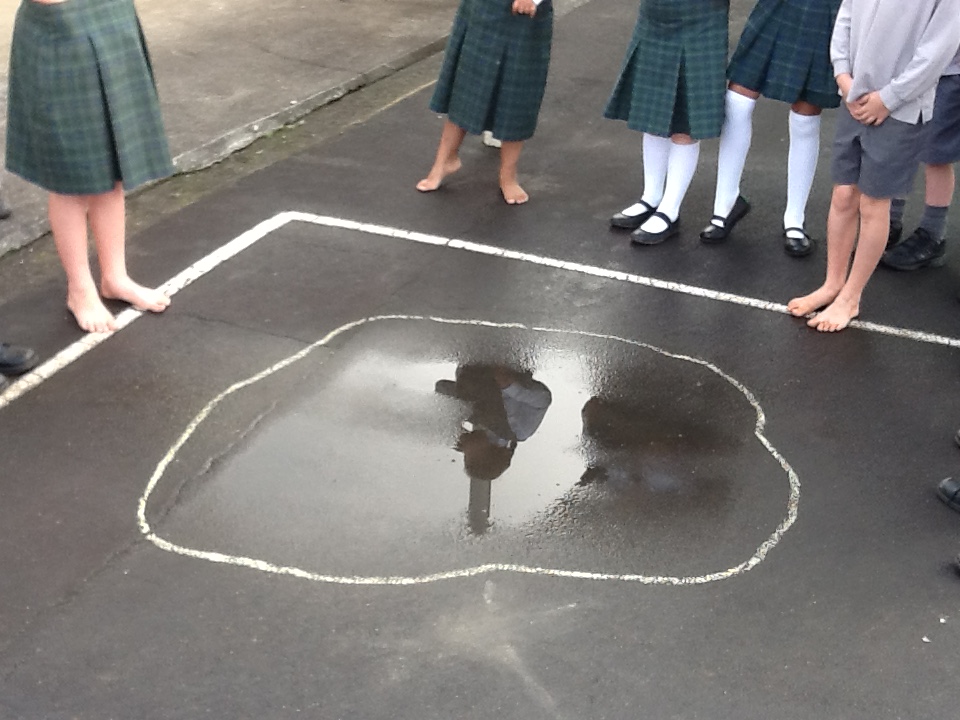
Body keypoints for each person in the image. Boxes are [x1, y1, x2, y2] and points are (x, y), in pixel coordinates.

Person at [787, 0, 960, 332]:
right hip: (854, 98)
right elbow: (845, 19)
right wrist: (843, 76)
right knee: (843, 196)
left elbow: (937, 53)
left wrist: (889, 99)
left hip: (902, 109)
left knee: (873, 203)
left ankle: (850, 298)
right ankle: (832, 284)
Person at [6, 0, 175, 334]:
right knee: (71, 177)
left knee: (113, 164)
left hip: (111, 17)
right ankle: (79, 289)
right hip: (60, 25)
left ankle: (115, 277)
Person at [699, 0, 842, 256]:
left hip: (827, 10)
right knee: (737, 103)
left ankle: (795, 219)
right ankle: (726, 203)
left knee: (805, 117)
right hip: (778, 7)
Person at [605, 0, 730, 246]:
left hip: (699, 21)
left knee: (684, 118)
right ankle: (650, 197)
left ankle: (669, 210)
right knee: (653, 111)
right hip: (655, 17)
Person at [416, 0, 552, 205]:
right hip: (481, 8)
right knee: (466, 83)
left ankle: (508, 176)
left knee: (517, 94)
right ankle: (445, 161)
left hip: (524, 16)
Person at [880, 46, 960, 271]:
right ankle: (890, 221)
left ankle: (932, 233)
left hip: (949, 69)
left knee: (936, 150)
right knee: (902, 138)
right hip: (915, 65)